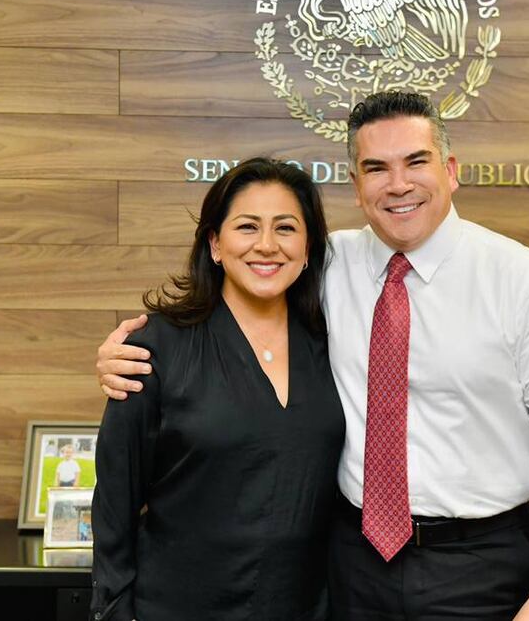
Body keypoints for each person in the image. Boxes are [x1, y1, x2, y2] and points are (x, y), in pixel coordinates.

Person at [96, 92, 529, 620]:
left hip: (479, 565)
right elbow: (242, 291)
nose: (398, 185)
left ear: (451, 169)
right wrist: (130, 352)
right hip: (349, 564)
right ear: (356, 185)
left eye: (416, 162)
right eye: (376, 168)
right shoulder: (328, 264)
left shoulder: (528, 282)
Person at [89, 158, 345, 621]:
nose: (267, 246)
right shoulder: (155, 347)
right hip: (175, 606)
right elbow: (115, 498)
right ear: (215, 244)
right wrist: (112, 608)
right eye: (247, 227)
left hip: (304, 607)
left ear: (308, 248)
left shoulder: (337, 344)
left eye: (286, 228)